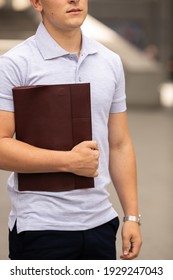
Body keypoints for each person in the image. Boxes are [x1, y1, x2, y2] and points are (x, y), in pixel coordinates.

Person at [0, 0, 142, 260]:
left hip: (101, 223)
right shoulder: (14, 64)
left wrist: (131, 216)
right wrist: (69, 161)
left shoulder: (110, 61)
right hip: (40, 228)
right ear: (36, 3)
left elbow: (120, 143)